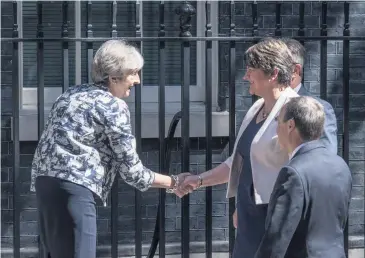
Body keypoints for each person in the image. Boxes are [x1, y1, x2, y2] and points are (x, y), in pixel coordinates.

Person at [30, 40, 189, 258]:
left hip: (44, 184)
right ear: (114, 77)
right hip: (74, 190)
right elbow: (132, 172)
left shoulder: (70, 95)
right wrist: (175, 182)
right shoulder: (113, 106)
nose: (137, 80)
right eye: (132, 73)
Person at [180, 38, 299, 258]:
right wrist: (199, 180)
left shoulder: (294, 111)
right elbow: (238, 162)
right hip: (248, 217)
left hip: (274, 220)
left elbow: (303, 171)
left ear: (273, 74)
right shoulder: (257, 107)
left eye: (251, 70)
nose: (245, 77)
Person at [255, 96, 352, 258]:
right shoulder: (340, 166)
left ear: (290, 125)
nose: (276, 131)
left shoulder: (293, 173)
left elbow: (276, 238)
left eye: (278, 123)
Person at [282, 38, 338, 153]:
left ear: (295, 70)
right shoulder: (263, 107)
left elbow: (327, 155)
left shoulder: (320, 107)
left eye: (278, 67)